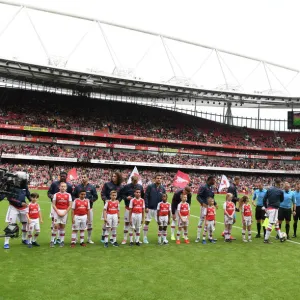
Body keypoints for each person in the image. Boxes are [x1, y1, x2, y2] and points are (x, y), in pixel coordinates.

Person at [1, 171, 31, 249]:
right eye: (24, 180)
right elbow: (9, 198)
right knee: (11, 225)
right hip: (14, 207)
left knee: (25, 223)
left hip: (23, 208)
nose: (25, 181)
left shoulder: (25, 186)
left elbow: (27, 194)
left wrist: (31, 200)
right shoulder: (11, 186)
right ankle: (6, 242)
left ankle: (24, 239)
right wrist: (20, 203)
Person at [47, 171, 72, 244]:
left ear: (66, 177)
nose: (63, 177)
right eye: (62, 176)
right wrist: (52, 196)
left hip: (64, 207)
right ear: (59, 176)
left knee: (62, 224)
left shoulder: (69, 186)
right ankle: (53, 239)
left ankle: (59, 238)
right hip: (55, 206)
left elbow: (70, 195)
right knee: (54, 223)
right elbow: (49, 193)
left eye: (64, 176)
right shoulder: (54, 184)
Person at [73, 173, 98, 244]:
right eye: (82, 177)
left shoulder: (92, 187)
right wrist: (78, 200)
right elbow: (73, 196)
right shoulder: (77, 187)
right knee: (77, 224)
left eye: (84, 177)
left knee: (89, 224)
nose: (83, 178)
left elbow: (96, 196)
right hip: (78, 210)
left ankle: (89, 238)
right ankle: (76, 238)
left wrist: (90, 201)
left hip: (89, 209)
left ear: (88, 178)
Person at [119, 175, 144, 245]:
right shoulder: (126, 187)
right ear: (131, 180)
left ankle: (137, 239)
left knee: (137, 225)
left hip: (137, 209)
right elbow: (122, 195)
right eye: (134, 181)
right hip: (128, 208)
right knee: (127, 223)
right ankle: (124, 238)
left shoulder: (140, 187)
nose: (135, 183)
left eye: (137, 181)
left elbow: (143, 196)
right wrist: (127, 198)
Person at [100, 172, 123, 242]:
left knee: (113, 224)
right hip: (107, 207)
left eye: (115, 176)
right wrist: (105, 199)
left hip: (115, 208)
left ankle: (111, 237)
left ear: (118, 177)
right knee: (105, 222)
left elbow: (121, 196)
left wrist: (118, 200)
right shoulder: (107, 184)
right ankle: (103, 235)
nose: (113, 177)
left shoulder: (120, 186)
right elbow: (102, 193)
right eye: (112, 176)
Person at [143, 174, 166, 244]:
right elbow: (146, 196)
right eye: (157, 178)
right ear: (154, 179)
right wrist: (146, 206)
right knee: (147, 222)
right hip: (150, 208)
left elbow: (164, 198)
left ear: (161, 180)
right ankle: (144, 237)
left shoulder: (163, 188)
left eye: (160, 178)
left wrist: (163, 207)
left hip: (158, 209)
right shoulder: (150, 186)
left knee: (160, 223)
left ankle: (162, 236)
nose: (159, 179)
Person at [195, 176, 217, 243]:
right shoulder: (203, 186)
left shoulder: (212, 187)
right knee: (202, 220)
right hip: (204, 206)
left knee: (211, 221)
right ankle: (198, 237)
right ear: (209, 180)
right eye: (213, 180)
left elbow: (212, 197)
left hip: (210, 207)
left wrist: (215, 204)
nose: (214, 182)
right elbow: (198, 196)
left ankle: (210, 237)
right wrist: (202, 203)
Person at [263, 178, 285, 244]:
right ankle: (266, 239)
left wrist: (266, 207)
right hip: (274, 209)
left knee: (276, 223)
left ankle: (281, 237)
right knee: (270, 224)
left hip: (269, 208)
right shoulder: (280, 191)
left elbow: (264, 199)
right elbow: (282, 200)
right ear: (279, 183)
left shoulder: (269, 189)